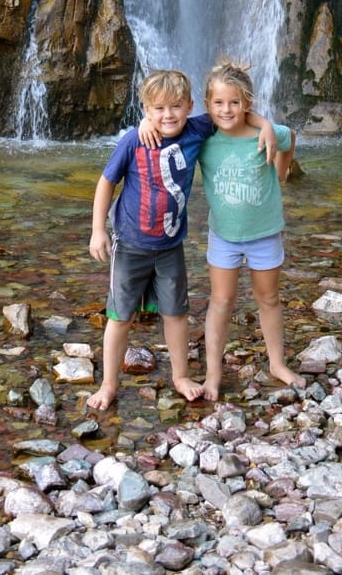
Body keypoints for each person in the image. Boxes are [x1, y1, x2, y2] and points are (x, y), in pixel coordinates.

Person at [86, 68, 278, 411]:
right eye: (158, 109)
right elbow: (106, 182)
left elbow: (232, 111)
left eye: (175, 106)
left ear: (190, 106)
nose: (168, 115)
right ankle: (108, 384)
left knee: (176, 314)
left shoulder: (196, 129)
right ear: (146, 110)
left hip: (170, 247)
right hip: (130, 245)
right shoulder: (134, 140)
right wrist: (98, 230)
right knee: (120, 316)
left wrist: (265, 125)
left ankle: (181, 377)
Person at [195, 58, 297, 400]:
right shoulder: (204, 138)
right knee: (221, 301)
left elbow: (289, 138)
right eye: (219, 103)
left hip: (264, 233)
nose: (226, 110)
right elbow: (169, 124)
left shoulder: (262, 134)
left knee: (268, 298)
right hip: (224, 235)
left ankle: (277, 364)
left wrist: (281, 171)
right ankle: (213, 373)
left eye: (234, 103)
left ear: (247, 104)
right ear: (207, 104)